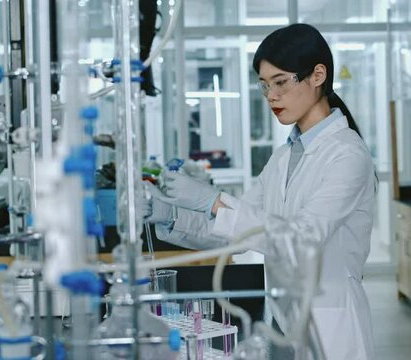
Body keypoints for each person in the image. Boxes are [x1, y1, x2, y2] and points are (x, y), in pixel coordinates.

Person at [145, 23, 376, 360]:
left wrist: (212, 201)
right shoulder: (284, 157)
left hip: (331, 326)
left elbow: (301, 239)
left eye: (281, 82)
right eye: (265, 86)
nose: (271, 96)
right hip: (282, 322)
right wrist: (171, 215)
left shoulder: (348, 155)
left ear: (318, 75)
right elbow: (234, 234)